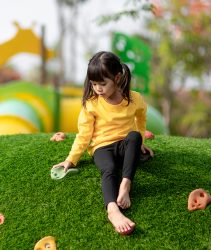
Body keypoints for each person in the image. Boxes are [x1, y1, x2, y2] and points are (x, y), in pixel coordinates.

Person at [52, 51, 154, 235]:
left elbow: (141, 119)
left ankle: (125, 185)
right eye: (93, 84)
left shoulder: (135, 99)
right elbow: (84, 135)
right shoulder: (91, 104)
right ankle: (113, 209)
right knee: (108, 169)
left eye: (102, 83)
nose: (97, 88)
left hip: (124, 144)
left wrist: (140, 142)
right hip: (102, 148)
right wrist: (71, 159)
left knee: (134, 137)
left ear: (117, 78)